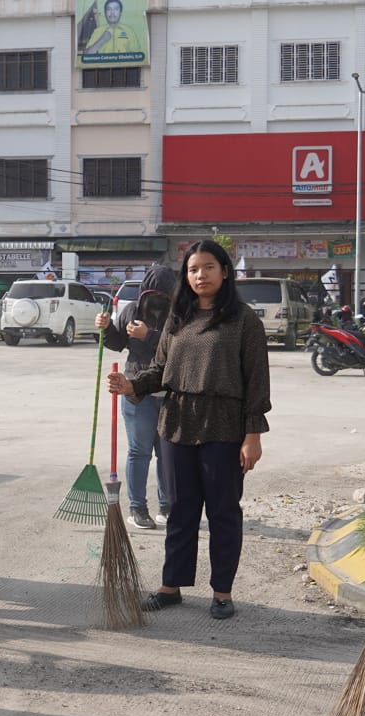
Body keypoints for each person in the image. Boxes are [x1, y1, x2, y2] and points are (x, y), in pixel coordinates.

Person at [106, 241, 270, 621]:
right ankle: (171, 586)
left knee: (223, 510)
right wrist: (133, 385)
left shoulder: (244, 320)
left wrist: (253, 434)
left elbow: (257, 382)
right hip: (177, 422)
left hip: (224, 425)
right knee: (179, 508)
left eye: (208, 267)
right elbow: (161, 370)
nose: (201, 275)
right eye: (193, 269)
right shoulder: (176, 321)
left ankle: (222, 592)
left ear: (225, 271)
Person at [94, 264, 177, 529]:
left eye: (163, 296)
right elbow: (118, 344)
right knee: (140, 451)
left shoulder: (180, 316)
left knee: (167, 453)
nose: (156, 302)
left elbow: (178, 350)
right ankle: (138, 508)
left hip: (171, 393)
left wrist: (149, 335)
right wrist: (106, 328)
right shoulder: (130, 310)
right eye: (152, 295)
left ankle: (168, 506)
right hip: (136, 391)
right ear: (143, 294)